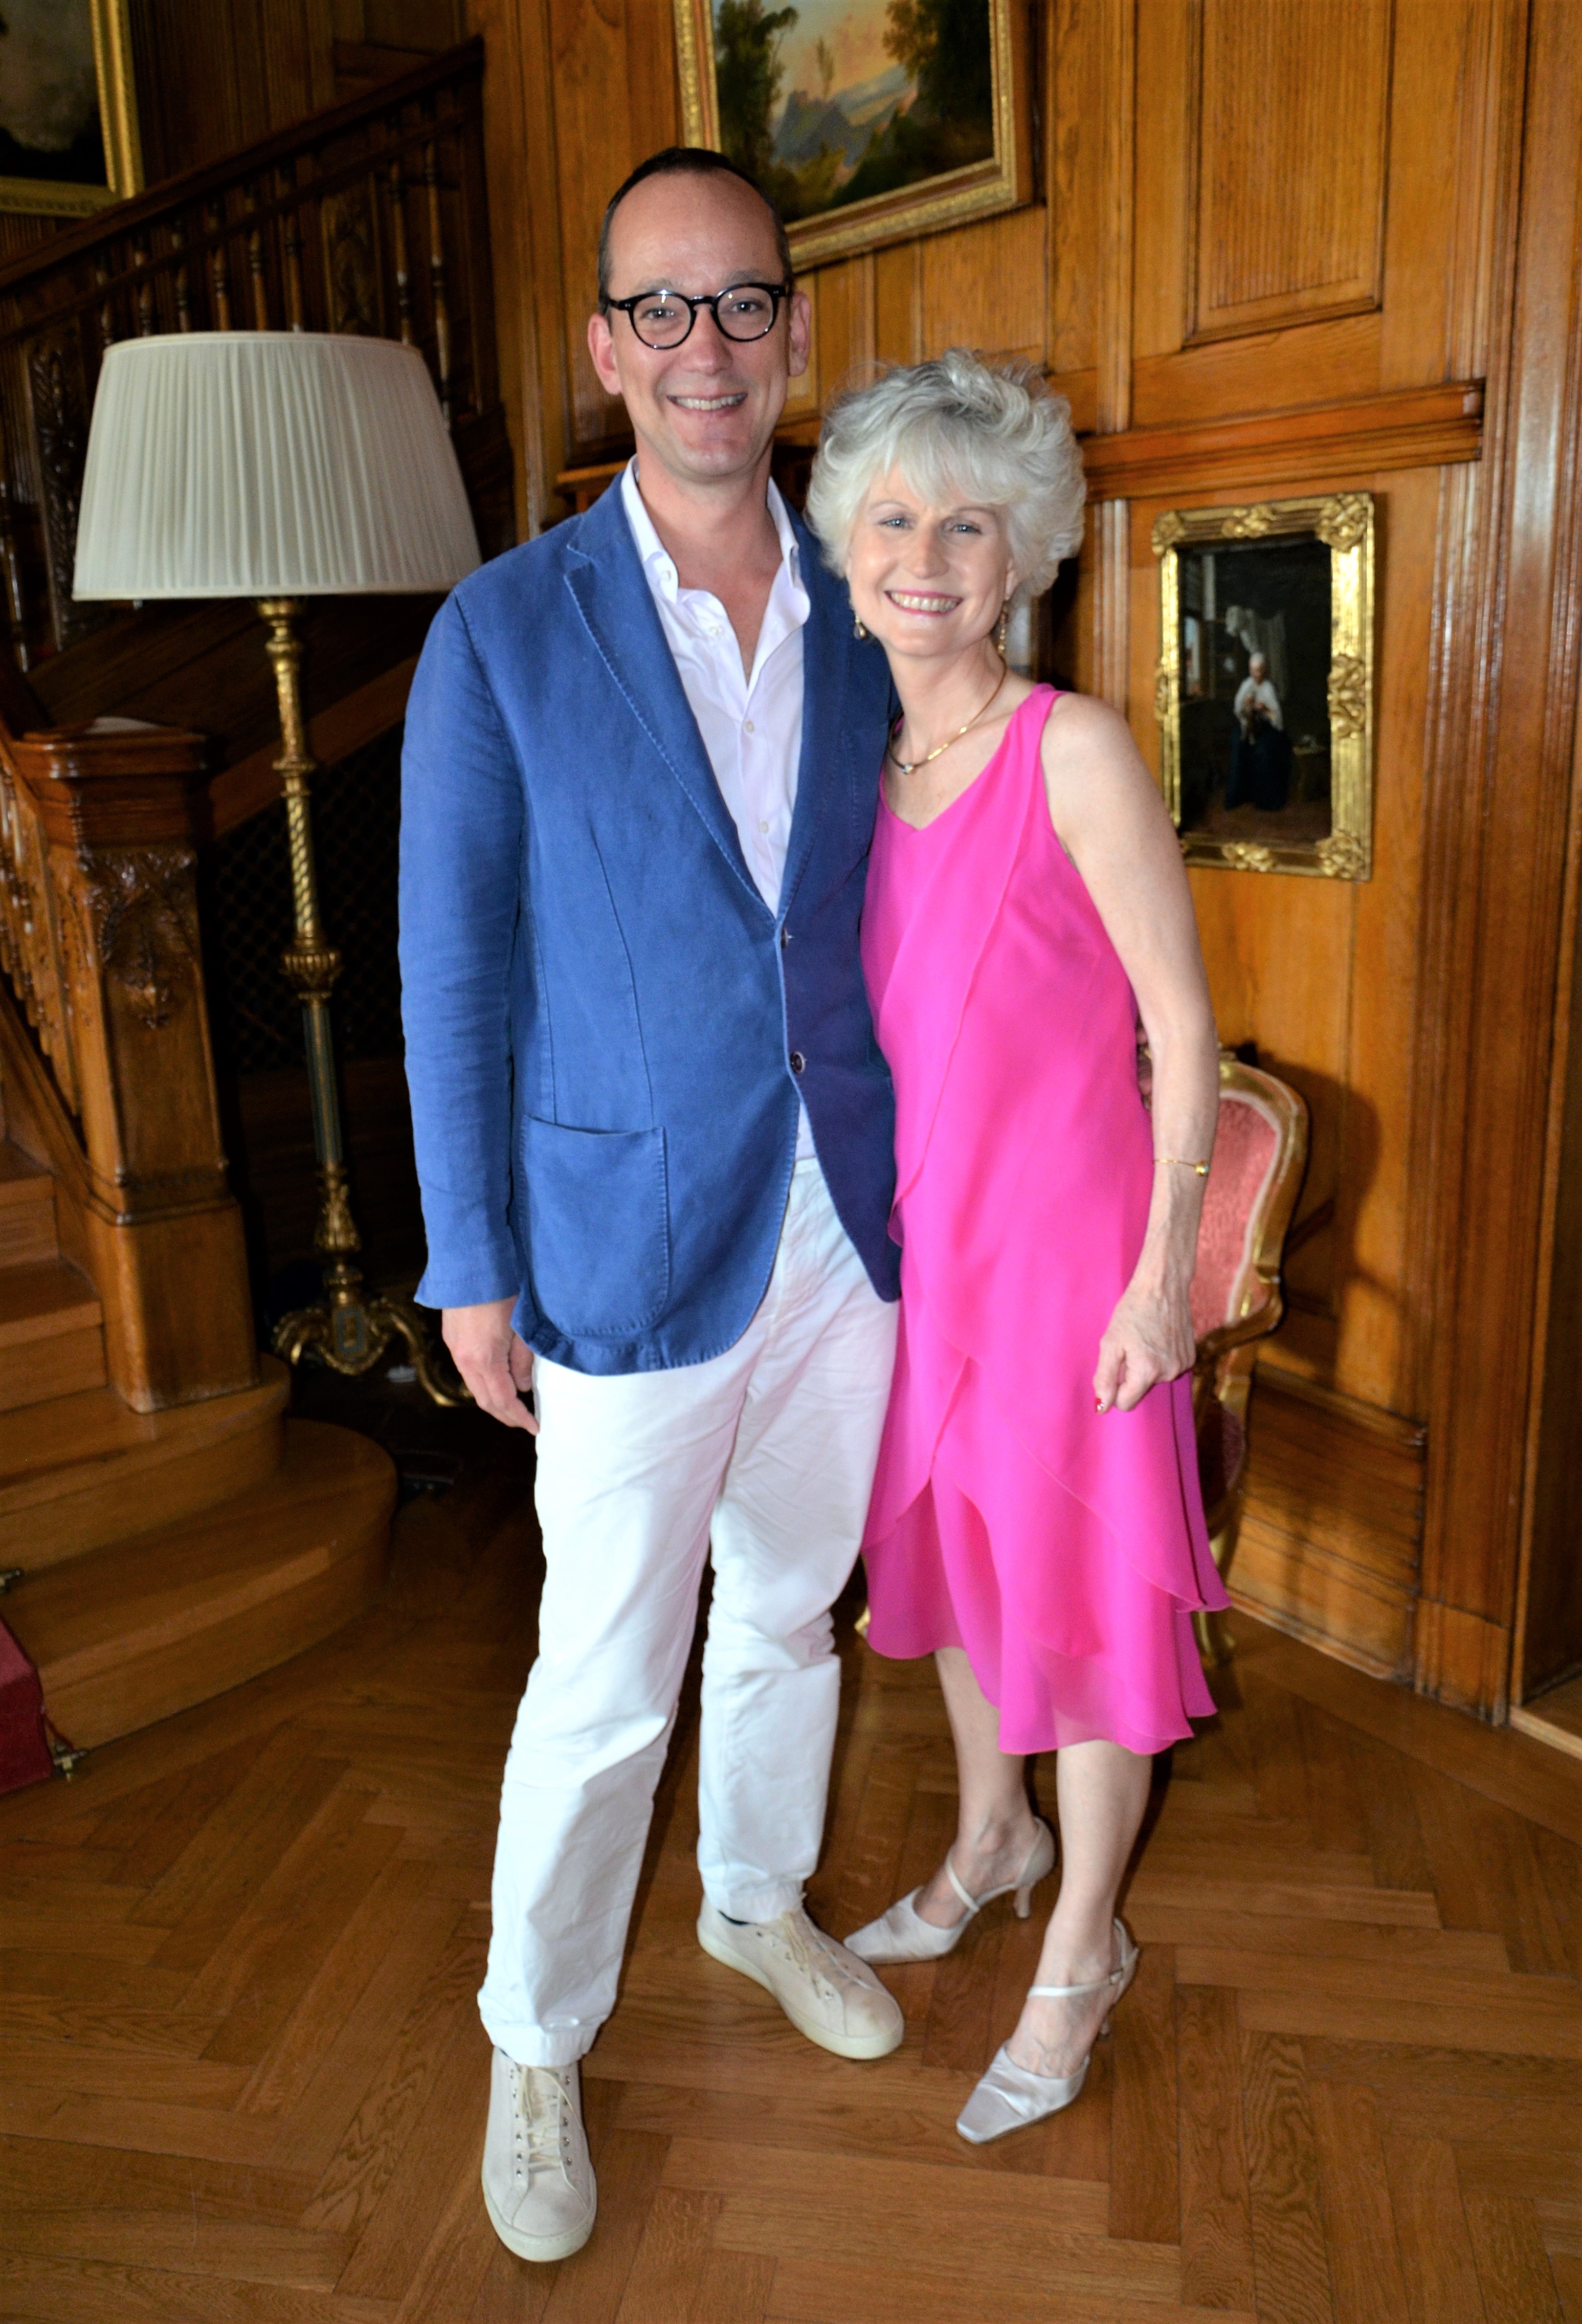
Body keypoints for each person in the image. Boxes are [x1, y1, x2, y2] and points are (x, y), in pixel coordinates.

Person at [399, 147, 905, 2267]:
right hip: (619, 1235)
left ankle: (754, 1898)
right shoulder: (503, 631)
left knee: (788, 1606)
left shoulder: (880, 598)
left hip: (846, 1221)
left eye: (743, 302)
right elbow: (453, 972)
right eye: (662, 307)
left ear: (793, 330)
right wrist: (467, 1264)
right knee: (603, 1676)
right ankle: (534, 2035)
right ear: (606, 347)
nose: (708, 347)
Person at [802, 351, 1230, 2143]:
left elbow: (1183, 1033)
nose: (925, 558)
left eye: (967, 526)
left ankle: (1082, 1946)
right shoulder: (850, 761)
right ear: (847, 553)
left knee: (1091, 1605)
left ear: (1022, 557)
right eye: (894, 519)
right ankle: (992, 1834)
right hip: (926, 1260)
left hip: (1069, 1268)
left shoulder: (1075, 752)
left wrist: (1161, 1280)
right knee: (964, 1571)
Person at [1225, 650, 1291, 811]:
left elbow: (1277, 719)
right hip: (1248, 726)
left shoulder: (1269, 688)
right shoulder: (1246, 685)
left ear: (1264, 670)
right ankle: (1237, 796)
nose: (1255, 674)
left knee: (1263, 751)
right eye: (1252, 670)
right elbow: (1238, 711)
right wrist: (1247, 707)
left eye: (1258, 671)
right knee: (1237, 744)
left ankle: (1265, 800)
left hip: (1266, 729)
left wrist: (1265, 709)